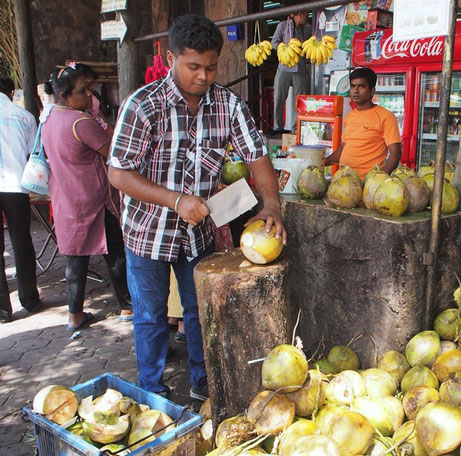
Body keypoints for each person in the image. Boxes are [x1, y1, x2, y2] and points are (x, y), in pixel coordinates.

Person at [108, 14, 286, 401]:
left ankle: (204, 384)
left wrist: (270, 203)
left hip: (197, 235)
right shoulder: (143, 105)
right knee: (151, 317)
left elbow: (257, 158)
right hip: (147, 233)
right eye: (193, 66)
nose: (203, 76)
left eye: (211, 67)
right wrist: (175, 199)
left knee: (199, 312)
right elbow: (119, 174)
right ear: (171, 57)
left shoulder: (228, 104)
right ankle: (152, 391)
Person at [41, 63, 133, 331]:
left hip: (67, 198)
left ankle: (75, 315)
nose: (90, 95)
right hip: (94, 199)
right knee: (114, 252)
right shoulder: (81, 122)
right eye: (84, 91)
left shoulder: (49, 118)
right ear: (65, 96)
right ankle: (127, 306)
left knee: (75, 256)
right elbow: (113, 152)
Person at [0, 75, 41, 323]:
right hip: (16, 185)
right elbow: (32, 156)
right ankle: (30, 299)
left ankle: (3, 311)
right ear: (12, 91)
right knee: (21, 240)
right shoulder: (24, 116)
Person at [324, 67, 402, 179]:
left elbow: (396, 153)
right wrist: (321, 162)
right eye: (353, 86)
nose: (355, 91)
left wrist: (379, 179)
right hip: (344, 181)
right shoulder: (350, 116)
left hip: (367, 185)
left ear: (372, 91)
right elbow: (343, 149)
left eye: (361, 86)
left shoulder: (386, 117)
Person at [270, 10, 312, 135]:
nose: (307, 18)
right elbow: (274, 42)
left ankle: (296, 127)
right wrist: (284, 48)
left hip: (300, 69)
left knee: (299, 100)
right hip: (284, 67)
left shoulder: (308, 29)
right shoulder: (283, 26)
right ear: (301, 14)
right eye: (306, 15)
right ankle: (278, 127)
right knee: (279, 97)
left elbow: (310, 46)